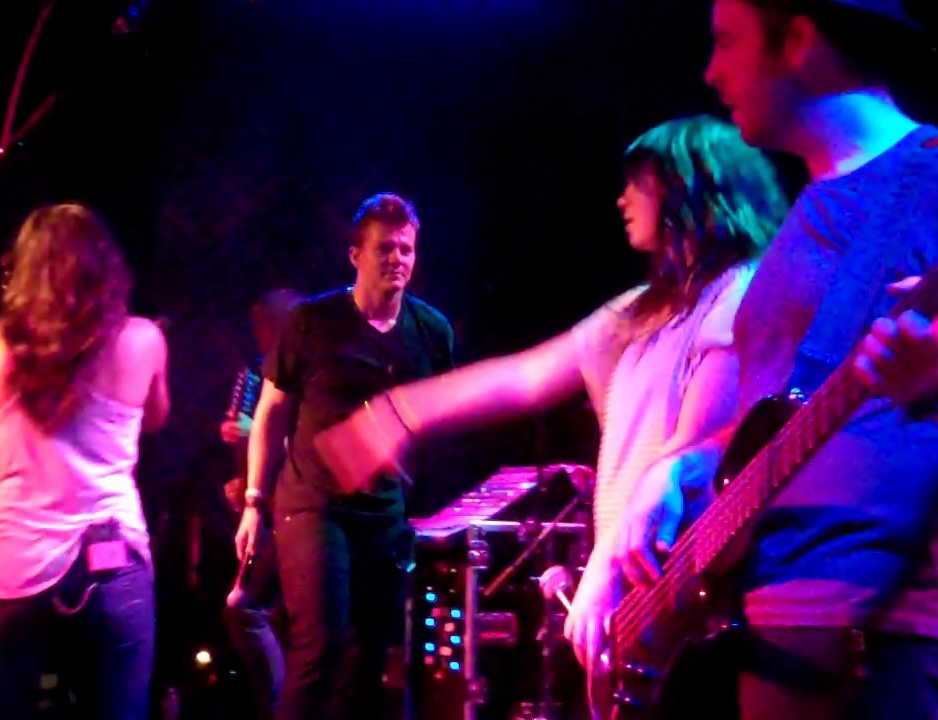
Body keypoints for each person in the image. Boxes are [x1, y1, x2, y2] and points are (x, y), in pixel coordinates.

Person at [314, 116, 790, 709]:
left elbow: (692, 451)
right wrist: (400, 411)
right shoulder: (645, 310)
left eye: (636, 183)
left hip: (683, 597)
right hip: (637, 593)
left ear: (684, 188)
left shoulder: (739, 294)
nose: (621, 199)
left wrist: (604, 571)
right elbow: (529, 374)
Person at [601, 1, 938, 718]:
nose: (710, 72)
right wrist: (684, 465)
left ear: (797, 39)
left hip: (876, 635)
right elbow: (773, 416)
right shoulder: (807, 213)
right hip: (763, 622)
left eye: (727, 42)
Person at [0, 202, 170, 720]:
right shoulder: (142, 339)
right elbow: (156, 418)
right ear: (104, 266)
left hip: (13, 562)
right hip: (111, 558)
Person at [241, 192, 455, 720]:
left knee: (368, 663)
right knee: (322, 650)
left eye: (406, 249)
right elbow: (270, 414)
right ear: (356, 255)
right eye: (385, 248)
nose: (397, 259)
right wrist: (253, 501)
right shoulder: (312, 323)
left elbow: (439, 413)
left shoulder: (431, 331)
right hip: (314, 505)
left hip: (383, 513)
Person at [219, 288, 301, 720]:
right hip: (271, 512)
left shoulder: (307, 371)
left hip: (302, 514)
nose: (257, 332)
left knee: (246, 608)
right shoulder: (257, 372)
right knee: (259, 613)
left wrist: (254, 431)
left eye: (263, 323)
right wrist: (245, 484)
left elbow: (308, 445)